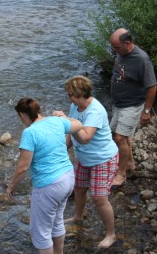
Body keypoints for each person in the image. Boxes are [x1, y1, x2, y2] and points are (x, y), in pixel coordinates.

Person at [6, 98, 83, 254]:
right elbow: (79, 125)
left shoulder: (30, 132)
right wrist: (63, 117)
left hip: (49, 185)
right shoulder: (56, 121)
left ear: (22, 114)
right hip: (67, 178)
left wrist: (11, 187)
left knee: (41, 232)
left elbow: (23, 167)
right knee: (56, 222)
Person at [53, 75, 119, 249]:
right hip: (84, 158)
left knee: (99, 198)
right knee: (80, 188)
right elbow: (71, 132)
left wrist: (65, 119)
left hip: (102, 159)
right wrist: (62, 150)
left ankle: (111, 234)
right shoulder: (76, 106)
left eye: (70, 95)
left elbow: (85, 138)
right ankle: (78, 217)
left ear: (80, 94)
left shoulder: (95, 111)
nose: (69, 98)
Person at [109, 28, 157, 186]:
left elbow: (152, 86)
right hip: (118, 103)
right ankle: (129, 163)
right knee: (118, 134)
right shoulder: (121, 53)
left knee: (120, 137)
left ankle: (121, 174)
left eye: (116, 47)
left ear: (127, 43)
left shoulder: (141, 59)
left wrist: (147, 111)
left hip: (132, 104)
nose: (114, 50)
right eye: (113, 47)